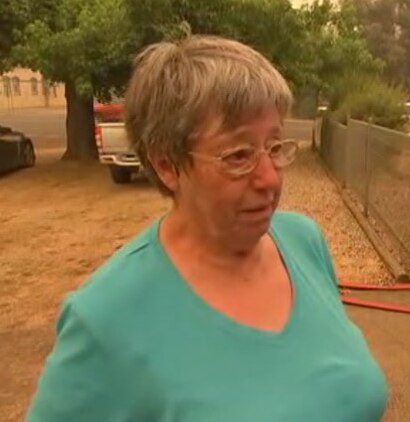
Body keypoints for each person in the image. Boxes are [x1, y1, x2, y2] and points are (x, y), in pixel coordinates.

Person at [26, 35, 389, 421]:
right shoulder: (105, 318)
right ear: (167, 165)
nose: (270, 178)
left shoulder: (305, 242)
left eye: (275, 145)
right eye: (238, 155)